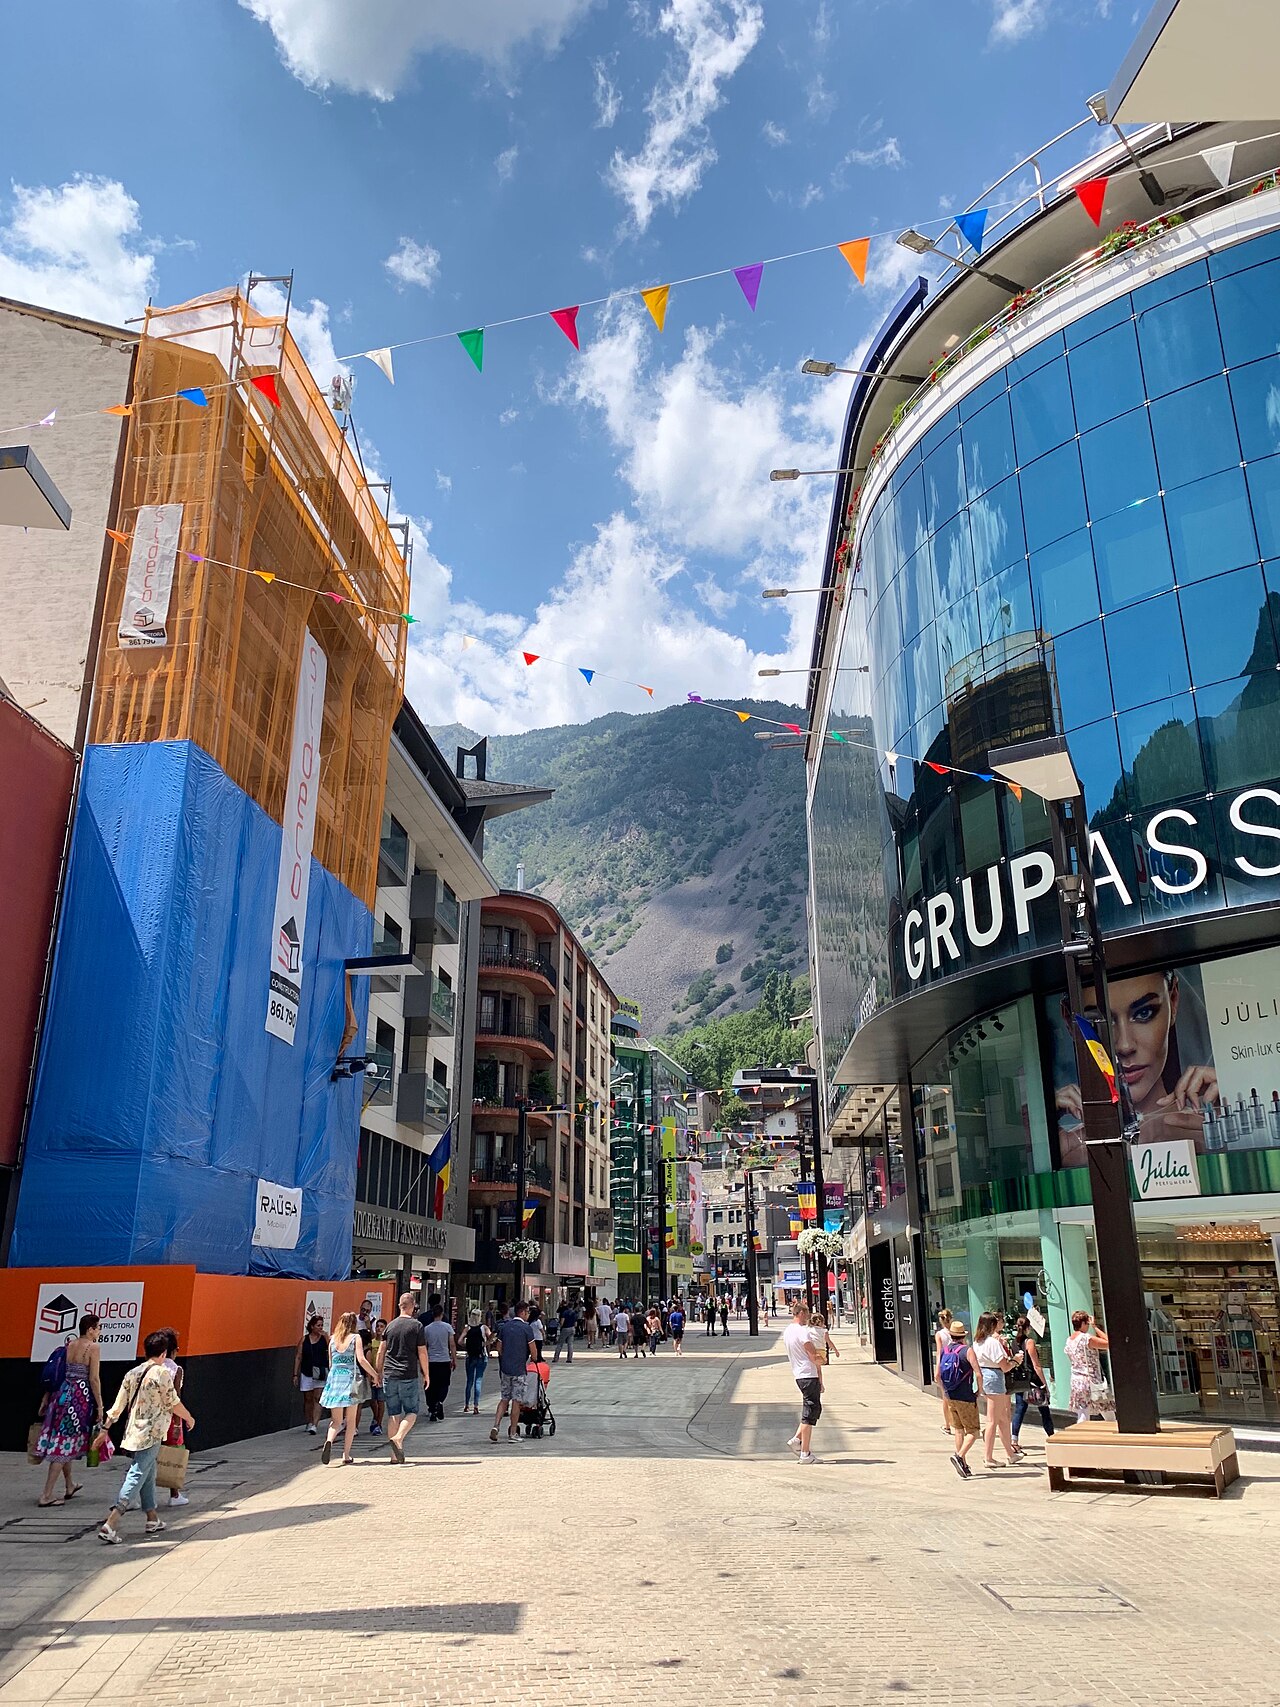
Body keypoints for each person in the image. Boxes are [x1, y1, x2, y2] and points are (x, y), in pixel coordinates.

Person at [1056, 973, 1218, 1164]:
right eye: (1098, 1022)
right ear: (1069, 1023)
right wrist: (1051, 1150)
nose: (1125, 1045)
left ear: (1173, 999)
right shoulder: (1070, 1150)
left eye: (1144, 1013)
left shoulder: (1211, 1127)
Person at [93, 1331, 195, 1543]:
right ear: (164, 1352)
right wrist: (189, 1418)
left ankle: (152, 1518)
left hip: (133, 1433)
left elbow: (118, 1406)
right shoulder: (161, 1373)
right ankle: (111, 1522)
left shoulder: (133, 1373)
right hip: (153, 1432)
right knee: (138, 1473)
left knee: (148, 1472)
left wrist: (105, 1429)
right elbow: (172, 1402)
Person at [35, 1314, 102, 1507]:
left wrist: (46, 1397)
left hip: (62, 1393)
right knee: (63, 1445)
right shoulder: (93, 1348)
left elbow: (59, 1372)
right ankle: (46, 1494)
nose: (99, 1332)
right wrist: (100, 1405)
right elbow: (94, 1379)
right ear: (90, 1329)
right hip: (78, 1397)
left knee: (65, 1441)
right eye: (98, 1328)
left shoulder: (70, 1345)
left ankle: (69, 1484)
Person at [319, 1311, 380, 1466]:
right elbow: (361, 1359)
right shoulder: (356, 1338)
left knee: (336, 1421)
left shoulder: (332, 1340)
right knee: (351, 1420)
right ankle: (346, 1454)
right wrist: (374, 1374)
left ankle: (329, 1441)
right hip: (350, 1380)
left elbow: (331, 1364)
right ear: (353, 1324)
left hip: (334, 1380)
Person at [378, 1293, 428, 1463]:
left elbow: (381, 1351)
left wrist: (378, 1373)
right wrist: (426, 1373)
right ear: (413, 1305)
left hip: (389, 1375)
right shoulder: (417, 1326)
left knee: (393, 1414)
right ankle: (398, 1438)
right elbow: (422, 1351)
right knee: (412, 1411)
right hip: (408, 1374)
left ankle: (394, 1456)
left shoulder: (389, 1326)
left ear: (400, 1305)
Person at [973, 1312, 1026, 1469]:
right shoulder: (992, 1343)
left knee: (1002, 1418)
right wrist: (1016, 1361)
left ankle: (1010, 1453)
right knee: (992, 1420)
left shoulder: (977, 1342)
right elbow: (1004, 1366)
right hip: (995, 1377)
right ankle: (988, 1457)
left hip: (985, 1375)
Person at [937, 1318, 980, 1478]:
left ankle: (963, 1462)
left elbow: (937, 1376)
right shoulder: (966, 1350)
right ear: (962, 1336)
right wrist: (979, 1390)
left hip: (950, 1396)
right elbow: (977, 1373)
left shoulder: (945, 1350)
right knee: (973, 1431)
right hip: (965, 1396)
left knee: (959, 1430)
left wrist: (945, 1391)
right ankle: (959, 1456)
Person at [782, 1302, 823, 1465]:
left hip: (799, 1373)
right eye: (805, 1314)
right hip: (808, 1373)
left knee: (813, 1408)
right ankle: (805, 1453)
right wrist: (821, 1360)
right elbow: (812, 1353)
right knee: (809, 1413)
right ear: (799, 1313)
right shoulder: (801, 1332)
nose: (807, 1318)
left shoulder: (788, 1331)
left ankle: (796, 1440)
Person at [490, 1302, 537, 1442]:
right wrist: (533, 1358)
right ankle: (513, 1433)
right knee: (517, 1401)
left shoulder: (505, 1327)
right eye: (527, 1312)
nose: (528, 1315)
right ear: (522, 1312)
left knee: (504, 1399)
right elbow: (533, 1351)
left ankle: (496, 1426)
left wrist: (505, 1357)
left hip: (505, 1369)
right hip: (519, 1370)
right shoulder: (526, 1328)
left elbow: (498, 1347)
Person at [1010, 1316, 1055, 1449]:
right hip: (1033, 1380)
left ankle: (1014, 1440)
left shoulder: (1013, 1342)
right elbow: (1036, 1365)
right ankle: (1051, 1436)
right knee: (1044, 1409)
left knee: (1019, 1409)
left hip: (1020, 1380)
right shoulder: (1029, 1342)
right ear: (1028, 1328)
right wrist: (1045, 1384)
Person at [1065, 1310, 1115, 1423]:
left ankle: (1080, 1437)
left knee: (1083, 1413)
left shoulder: (1069, 1341)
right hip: (1091, 1380)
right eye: (1087, 1323)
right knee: (1108, 1412)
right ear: (1083, 1324)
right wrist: (1095, 1327)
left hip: (1076, 1380)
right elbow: (1109, 1342)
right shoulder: (1086, 1338)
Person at [159, 1328, 190, 1508]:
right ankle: (174, 1494)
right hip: (170, 1418)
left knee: (146, 1457)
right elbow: (175, 1397)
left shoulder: (152, 1366)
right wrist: (179, 1422)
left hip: (151, 1417)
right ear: (173, 1350)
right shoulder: (175, 1369)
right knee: (174, 1454)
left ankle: (133, 1496)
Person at [294, 1315, 329, 1435]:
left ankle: (315, 1424)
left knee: (317, 1398)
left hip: (320, 1372)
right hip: (307, 1372)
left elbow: (331, 1351)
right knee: (308, 1398)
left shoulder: (324, 1339)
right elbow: (299, 1356)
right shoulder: (304, 1340)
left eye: (321, 1325)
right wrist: (295, 1374)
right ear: (312, 1326)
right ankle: (308, 1421)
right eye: (318, 1325)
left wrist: (326, 1337)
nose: (320, 1328)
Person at [423, 1304, 456, 1421]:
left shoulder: (427, 1329)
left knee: (430, 1386)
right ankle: (440, 1402)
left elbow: (424, 1346)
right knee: (444, 1384)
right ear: (442, 1314)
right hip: (444, 1360)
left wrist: (423, 1362)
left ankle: (432, 1408)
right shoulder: (447, 1327)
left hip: (431, 1361)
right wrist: (454, 1358)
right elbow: (452, 1344)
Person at [462, 1310, 490, 1414]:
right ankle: (476, 1405)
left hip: (470, 1357)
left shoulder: (467, 1328)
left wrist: (468, 1346)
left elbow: (460, 1341)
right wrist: (485, 1344)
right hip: (481, 1356)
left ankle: (466, 1405)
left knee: (469, 1381)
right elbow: (491, 1337)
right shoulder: (484, 1328)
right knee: (478, 1380)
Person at [933, 1308, 955, 1434]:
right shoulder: (957, 1332)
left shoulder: (940, 1334)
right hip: (957, 1364)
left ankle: (947, 1424)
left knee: (946, 1397)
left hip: (946, 1365)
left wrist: (937, 1369)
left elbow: (939, 1353)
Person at [368, 1318, 388, 1436]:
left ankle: (379, 1424)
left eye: (381, 1326)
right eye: (377, 1326)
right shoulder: (372, 1342)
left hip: (383, 1374)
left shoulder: (386, 1343)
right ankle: (375, 1417)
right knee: (372, 1400)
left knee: (381, 1400)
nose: (379, 1328)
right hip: (372, 1373)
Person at [553, 1299, 579, 1364]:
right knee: (570, 1344)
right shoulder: (574, 1313)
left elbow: (562, 1322)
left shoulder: (565, 1312)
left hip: (565, 1328)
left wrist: (561, 1327)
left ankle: (556, 1358)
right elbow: (576, 1324)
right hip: (572, 1328)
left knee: (560, 1343)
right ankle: (569, 1358)